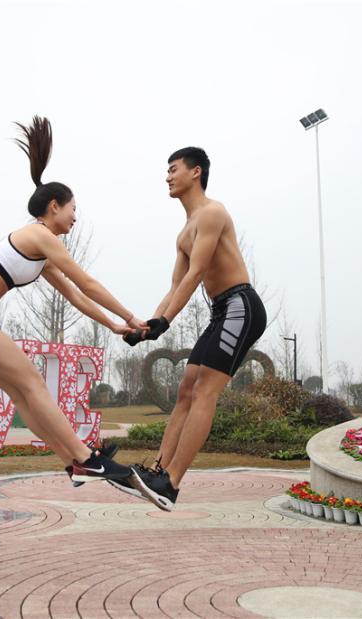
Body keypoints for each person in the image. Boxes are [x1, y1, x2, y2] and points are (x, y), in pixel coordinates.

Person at [0, 116, 142, 484]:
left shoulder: (41, 251)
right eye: (73, 209)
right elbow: (88, 281)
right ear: (53, 206)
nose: (75, 217)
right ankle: (88, 459)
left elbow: (76, 296)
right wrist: (132, 315)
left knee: (22, 392)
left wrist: (114, 325)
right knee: (33, 383)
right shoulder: (40, 235)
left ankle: (73, 462)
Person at [117, 147, 267, 510]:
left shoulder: (212, 213)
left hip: (240, 306)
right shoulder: (184, 232)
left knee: (204, 391)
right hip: (220, 311)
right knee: (186, 389)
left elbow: (197, 272)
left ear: (195, 172)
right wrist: (145, 325)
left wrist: (164, 323)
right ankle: (157, 470)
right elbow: (175, 287)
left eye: (173, 169)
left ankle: (171, 483)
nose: (167, 177)